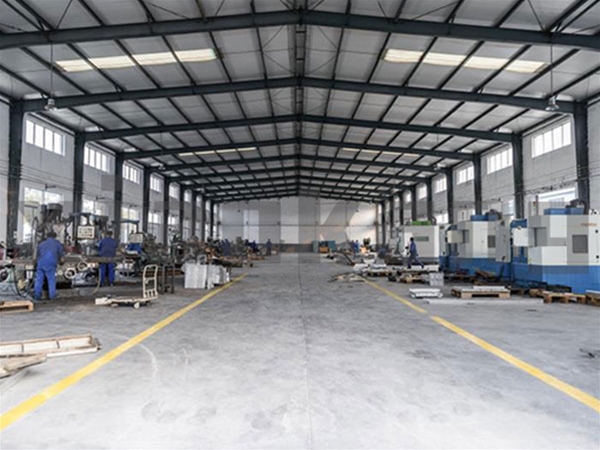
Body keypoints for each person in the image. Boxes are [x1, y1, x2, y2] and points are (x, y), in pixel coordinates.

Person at [34, 231, 64, 300]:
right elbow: (61, 257)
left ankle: (37, 296)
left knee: (39, 280)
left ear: (46, 236)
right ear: (55, 236)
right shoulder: (57, 243)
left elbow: (37, 256)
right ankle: (52, 296)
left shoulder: (41, 244)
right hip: (50, 264)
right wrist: (62, 262)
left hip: (40, 263)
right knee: (51, 280)